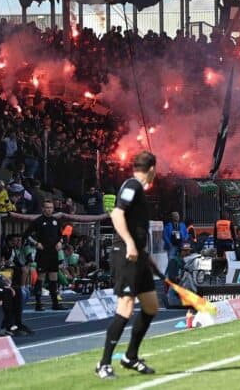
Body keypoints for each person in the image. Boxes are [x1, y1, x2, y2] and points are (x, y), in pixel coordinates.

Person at [97, 151, 159, 379]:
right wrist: (131, 244)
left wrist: (144, 253)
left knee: (151, 306)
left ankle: (130, 357)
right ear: (152, 169)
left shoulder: (137, 188)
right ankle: (103, 364)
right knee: (125, 306)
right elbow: (116, 214)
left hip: (138, 255)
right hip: (125, 254)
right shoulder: (132, 185)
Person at [26, 200, 65, 311]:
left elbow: (61, 236)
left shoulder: (56, 221)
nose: (48, 209)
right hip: (42, 253)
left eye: (50, 207)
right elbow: (27, 234)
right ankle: (38, 304)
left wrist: (60, 242)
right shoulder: (38, 221)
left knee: (54, 277)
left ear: (53, 209)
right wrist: (36, 243)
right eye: (46, 207)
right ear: (43, 208)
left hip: (53, 253)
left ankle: (55, 303)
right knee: (41, 277)